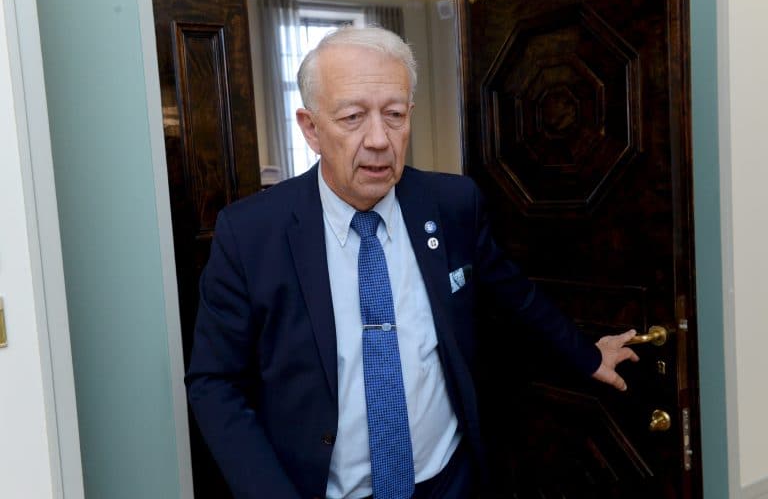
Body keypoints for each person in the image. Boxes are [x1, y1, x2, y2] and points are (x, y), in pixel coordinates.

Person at [185, 26, 638, 499]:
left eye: (395, 115)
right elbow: (215, 383)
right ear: (311, 128)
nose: (379, 139)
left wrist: (587, 356)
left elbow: (514, 294)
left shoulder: (452, 203)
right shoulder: (251, 234)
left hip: (449, 481)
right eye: (353, 117)